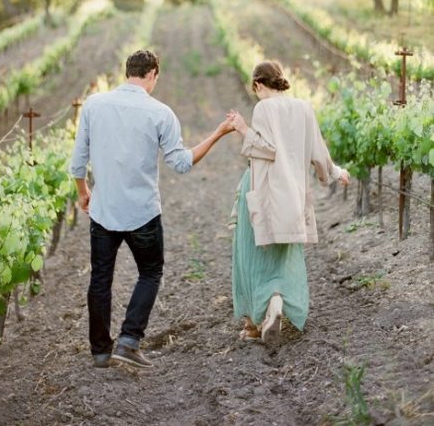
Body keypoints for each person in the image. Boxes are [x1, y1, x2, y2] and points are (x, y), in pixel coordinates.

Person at [70, 49, 235, 369]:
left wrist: (83, 192)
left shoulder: (94, 105)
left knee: (100, 279)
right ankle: (129, 339)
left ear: (127, 71)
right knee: (150, 271)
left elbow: (78, 161)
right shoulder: (161, 113)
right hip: (142, 213)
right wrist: (219, 133)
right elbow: (182, 163)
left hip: (103, 210)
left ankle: (101, 351)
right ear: (153, 74)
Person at [228, 60, 349, 341]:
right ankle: (277, 304)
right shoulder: (304, 108)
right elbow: (318, 150)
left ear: (258, 84)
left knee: (251, 254)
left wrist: (243, 129)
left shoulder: (263, 108)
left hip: (265, 189)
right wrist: (335, 172)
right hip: (293, 195)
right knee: (284, 257)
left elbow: (265, 148)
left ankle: (255, 322)